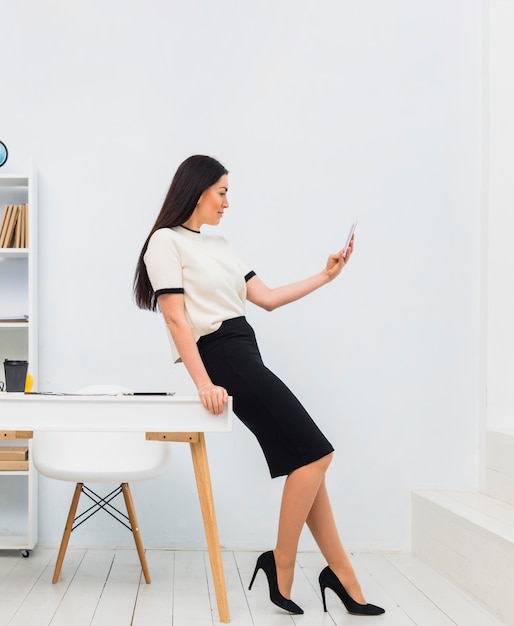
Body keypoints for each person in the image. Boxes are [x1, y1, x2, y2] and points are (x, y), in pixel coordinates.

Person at [133, 155, 384, 616]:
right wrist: (203, 382)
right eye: (222, 191)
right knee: (316, 454)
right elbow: (174, 316)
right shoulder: (164, 242)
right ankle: (280, 563)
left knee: (308, 461)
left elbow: (265, 298)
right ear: (198, 189)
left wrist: (327, 275)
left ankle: (343, 577)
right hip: (221, 354)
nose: (227, 202)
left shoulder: (222, 245)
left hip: (244, 346)